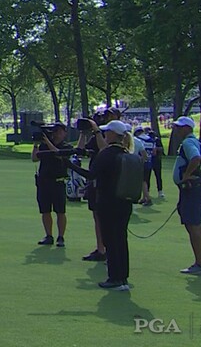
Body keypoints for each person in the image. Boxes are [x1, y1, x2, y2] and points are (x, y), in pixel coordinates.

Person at [74, 119, 135, 290]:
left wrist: (69, 164)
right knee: (121, 240)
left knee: (110, 240)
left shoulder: (107, 154)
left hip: (108, 203)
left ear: (113, 134)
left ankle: (115, 277)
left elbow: (91, 174)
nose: (105, 134)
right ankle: (122, 277)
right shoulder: (125, 152)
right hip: (124, 203)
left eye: (107, 132)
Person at [171, 116, 201, 276]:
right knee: (193, 225)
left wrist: (186, 175)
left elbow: (196, 158)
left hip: (192, 189)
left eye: (179, 127)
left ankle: (200, 264)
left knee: (194, 226)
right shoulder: (192, 141)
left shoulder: (188, 142)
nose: (177, 130)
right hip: (194, 189)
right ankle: (200, 263)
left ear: (187, 128)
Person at [32, 122, 70, 246]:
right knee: (45, 210)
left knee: (60, 211)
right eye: (55, 131)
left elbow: (58, 154)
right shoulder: (43, 146)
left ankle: (61, 237)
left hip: (58, 182)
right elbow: (34, 158)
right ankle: (49, 235)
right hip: (44, 182)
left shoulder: (66, 146)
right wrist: (36, 144)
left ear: (64, 133)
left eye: (59, 131)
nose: (56, 134)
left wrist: (48, 142)